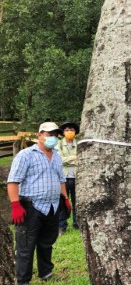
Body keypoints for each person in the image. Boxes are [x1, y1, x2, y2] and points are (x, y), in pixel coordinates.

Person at [7, 122, 71, 285]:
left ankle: (45, 272)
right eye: (49, 134)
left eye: (55, 135)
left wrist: (65, 198)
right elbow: (13, 181)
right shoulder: (26, 155)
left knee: (47, 242)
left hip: (52, 206)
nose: (53, 138)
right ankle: (23, 280)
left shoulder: (56, 155)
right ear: (39, 135)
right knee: (25, 247)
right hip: (31, 207)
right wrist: (15, 205)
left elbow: (61, 179)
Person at [57, 122, 80, 234]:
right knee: (62, 202)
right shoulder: (59, 144)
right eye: (66, 130)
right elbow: (59, 160)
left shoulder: (80, 144)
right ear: (63, 132)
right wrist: (75, 158)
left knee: (77, 201)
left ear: (75, 132)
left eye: (71, 129)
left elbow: (82, 158)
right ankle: (62, 225)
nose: (69, 132)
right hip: (63, 178)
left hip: (77, 177)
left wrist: (67, 159)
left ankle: (77, 223)